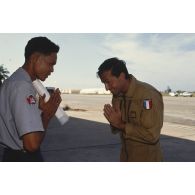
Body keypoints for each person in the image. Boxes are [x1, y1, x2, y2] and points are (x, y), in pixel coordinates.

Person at [0, 36, 61, 162]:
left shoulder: (13, 81)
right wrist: (47, 115)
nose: (52, 70)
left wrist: (40, 111)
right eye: (50, 64)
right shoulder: (22, 86)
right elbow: (32, 145)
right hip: (23, 157)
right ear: (35, 58)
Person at [97, 57, 164, 162]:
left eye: (108, 82)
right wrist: (113, 122)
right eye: (104, 83)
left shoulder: (147, 95)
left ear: (122, 76)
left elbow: (152, 135)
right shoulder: (117, 96)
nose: (106, 88)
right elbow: (118, 129)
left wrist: (120, 124)